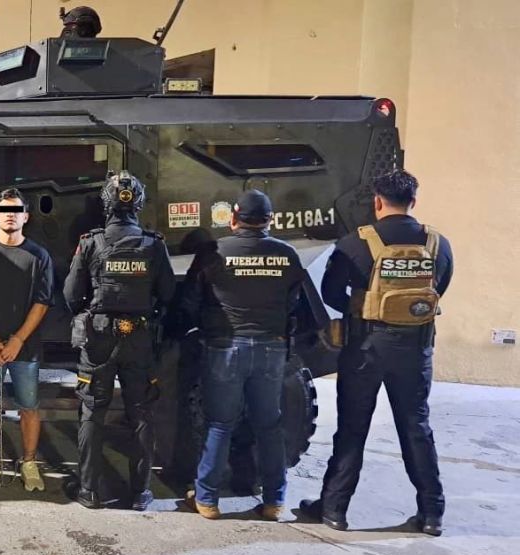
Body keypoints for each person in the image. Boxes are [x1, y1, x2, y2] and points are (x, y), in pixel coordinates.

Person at [300, 169, 453, 536]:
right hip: (416, 349)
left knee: (352, 429)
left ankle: (334, 510)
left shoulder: (356, 242)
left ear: (377, 202)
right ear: (413, 201)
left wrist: (363, 308)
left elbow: (331, 292)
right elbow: (439, 288)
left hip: (365, 348)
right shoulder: (437, 243)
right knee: (416, 428)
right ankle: (431, 514)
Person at [181, 189, 305, 521]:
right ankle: (274, 501)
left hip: (225, 348)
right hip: (271, 348)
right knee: (269, 425)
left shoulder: (213, 252)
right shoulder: (287, 254)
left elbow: (191, 300)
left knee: (220, 423)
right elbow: (294, 303)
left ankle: (207, 499)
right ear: (269, 220)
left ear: (234, 218)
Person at [63, 171, 175, 510]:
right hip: (139, 337)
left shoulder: (90, 242)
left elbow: (71, 295)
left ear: (105, 204)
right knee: (140, 412)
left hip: (98, 336)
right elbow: (168, 293)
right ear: (138, 203)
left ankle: (89, 490)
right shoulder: (154, 244)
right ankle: (140, 493)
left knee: (92, 411)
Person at [0, 188, 54, 492]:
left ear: (26, 217)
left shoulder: (39, 256)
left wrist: (17, 340)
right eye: (5, 210)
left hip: (25, 348)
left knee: (29, 406)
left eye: (16, 210)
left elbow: (42, 302)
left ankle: (29, 463)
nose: (10, 215)